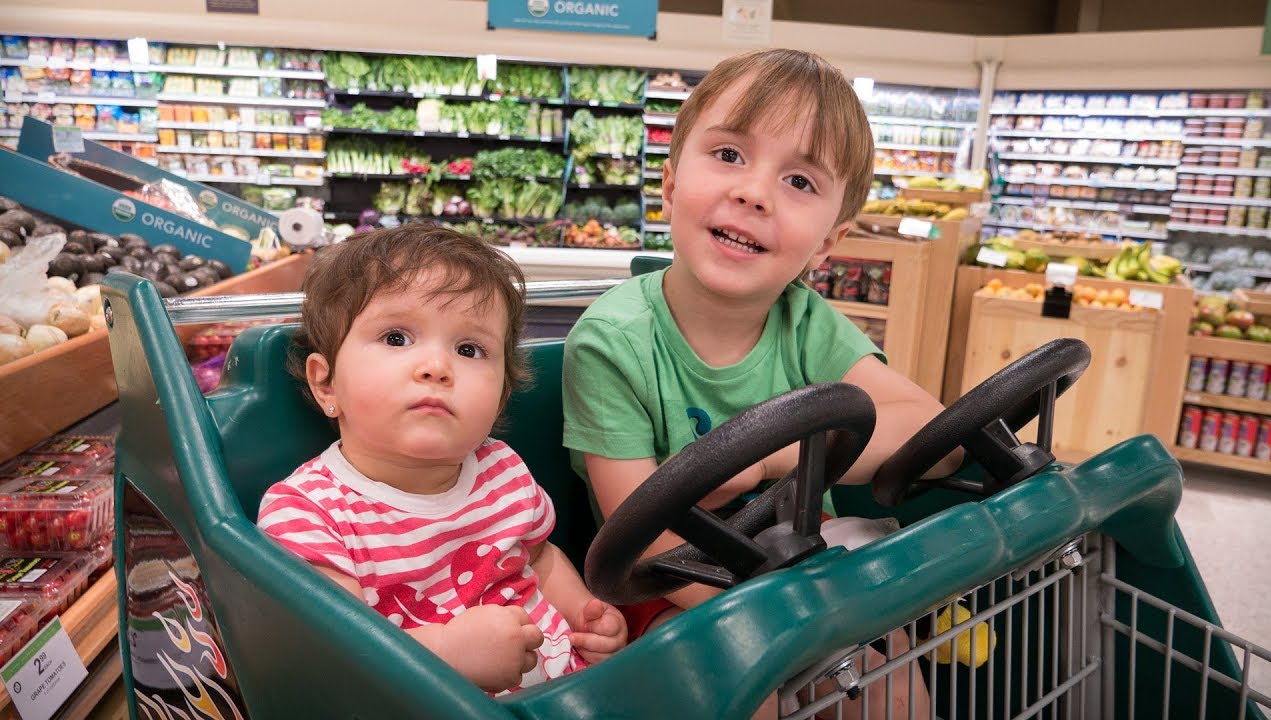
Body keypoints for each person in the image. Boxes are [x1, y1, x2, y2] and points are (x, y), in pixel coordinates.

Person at [562, 48, 964, 718]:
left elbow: (938, 437)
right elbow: (644, 550)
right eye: (728, 155)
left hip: (812, 573)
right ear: (667, 185)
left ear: (828, 245)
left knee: (893, 678)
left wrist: (772, 453)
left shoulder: (805, 322)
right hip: (672, 597)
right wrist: (787, 624)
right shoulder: (614, 341)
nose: (753, 192)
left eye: (800, 181)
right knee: (739, 687)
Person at [258, 226, 626, 695]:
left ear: (500, 396)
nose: (436, 367)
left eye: (469, 349)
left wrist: (583, 616)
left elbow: (539, 556)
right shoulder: (310, 513)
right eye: (396, 338)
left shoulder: (502, 469)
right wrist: (446, 653)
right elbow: (332, 655)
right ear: (326, 384)